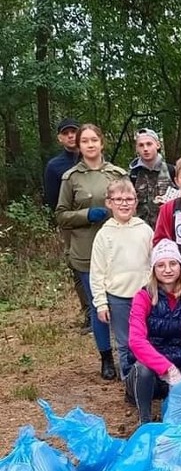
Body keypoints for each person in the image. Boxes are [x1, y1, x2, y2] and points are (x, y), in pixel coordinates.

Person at [56, 123, 128, 380]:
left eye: (93, 140)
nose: (89, 144)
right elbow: (61, 215)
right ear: (79, 145)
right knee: (100, 306)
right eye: (84, 141)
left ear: (101, 142)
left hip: (118, 250)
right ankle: (106, 358)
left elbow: (130, 205)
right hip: (86, 251)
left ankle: (128, 356)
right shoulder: (71, 178)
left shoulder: (117, 174)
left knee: (123, 306)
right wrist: (87, 214)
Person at [127, 240, 181, 423]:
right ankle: (144, 420)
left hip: (180, 366)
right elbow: (136, 341)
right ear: (154, 269)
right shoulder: (143, 297)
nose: (167, 270)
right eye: (161, 265)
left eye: (173, 264)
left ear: (180, 267)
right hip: (151, 373)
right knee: (142, 369)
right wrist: (167, 368)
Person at [89, 178, 153, 380]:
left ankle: (148, 377)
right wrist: (101, 303)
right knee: (125, 342)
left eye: (128, 199)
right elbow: (97, 272)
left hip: (144, 296)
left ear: (136, 202)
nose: (124, 204)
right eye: (118, 199)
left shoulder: (145, 230)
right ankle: (129, 380)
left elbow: (154, 263)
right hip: (117, 298)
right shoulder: (103, 235)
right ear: (109, 203)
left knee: (146, 338)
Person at [43, 117, 89, 331]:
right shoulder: (55, 166)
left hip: (97, 220)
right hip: (72, 224)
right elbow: (53, 200)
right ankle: (89, 312)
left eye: (74, 132)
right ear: (60, 138)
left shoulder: (91, 158)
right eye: (66, 133)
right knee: (78, 266)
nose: (71, 136)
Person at [128, 128, 177, 228]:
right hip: (140, 231)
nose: (145, 149)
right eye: (141, 145)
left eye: (149, 144)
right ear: (136, 148)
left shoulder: (172, 170)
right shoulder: (132, 175)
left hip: (168, 230)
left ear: (158, 145)